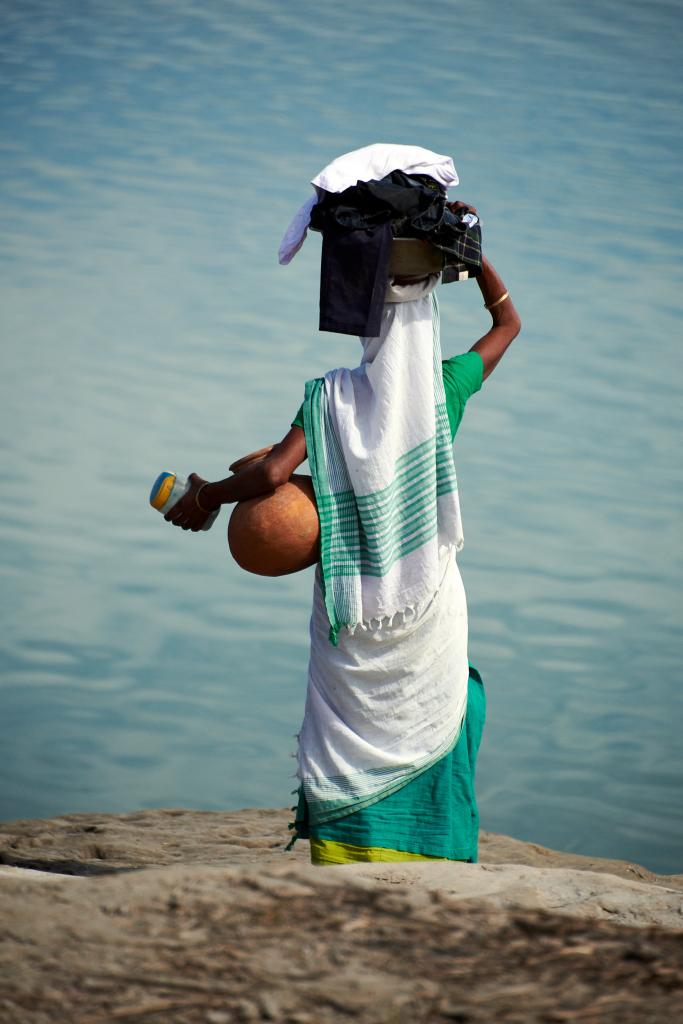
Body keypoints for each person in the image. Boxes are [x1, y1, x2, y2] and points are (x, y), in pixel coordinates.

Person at [166, 150, 520, 865]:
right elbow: (508, 325)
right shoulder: (441, 388)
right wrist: (474, 256)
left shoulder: (330, 399)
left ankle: (345, 856)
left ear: (365, 318)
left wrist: (206, 496)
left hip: (354, 604)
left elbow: (271, 472)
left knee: (350, 728)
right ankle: (429, 856)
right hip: (423, 596)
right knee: (432, 714)